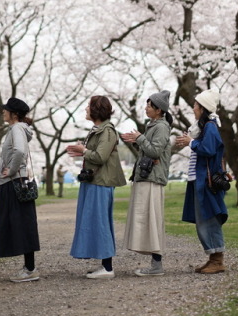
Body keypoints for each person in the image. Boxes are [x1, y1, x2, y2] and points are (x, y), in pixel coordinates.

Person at [67, 96, 126, 279]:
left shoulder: (107, 131)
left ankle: (108, 267)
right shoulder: (99, 130)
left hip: (101, 182)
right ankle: (104, 264)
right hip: (94, 181)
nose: (86, 109)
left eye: (89, 106)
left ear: (97, 110)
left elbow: (100, 157)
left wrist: (83, 150)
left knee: (100, 222)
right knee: (94, 221)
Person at [175, 88, 228, 274]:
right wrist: (189, 141)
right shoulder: (206, 127)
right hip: (201, 180)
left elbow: (208, 149)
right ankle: (213, 257)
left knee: (209, 218)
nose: (193, 108)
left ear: (203, 108)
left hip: (206, 182)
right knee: (204, 218)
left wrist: (191, 142)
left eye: (196, 105)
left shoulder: (210, 127)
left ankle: (217, 260)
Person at [122, 90, 172, 277]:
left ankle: (156, 265)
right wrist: (138, 140)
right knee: (148, 220)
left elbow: (155, 151)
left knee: (152, 220)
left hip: (152, 179)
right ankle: (155, 264)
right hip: (146, 177)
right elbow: (150, 150)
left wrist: (139, 138)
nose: (146, 108)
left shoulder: (161, 127)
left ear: (159, 110)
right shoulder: (154, 126)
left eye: (149, 105)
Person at [0, 97, 40, 282]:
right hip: (15, 183)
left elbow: (20, 151)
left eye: (6, 110)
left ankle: (30, 269)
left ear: (14, 114)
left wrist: (11, 170)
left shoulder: (16, 128)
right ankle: (29, 267)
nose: (3, 112)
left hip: (14, 184)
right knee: (23, 224)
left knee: (21, 225)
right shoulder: (18, 128)